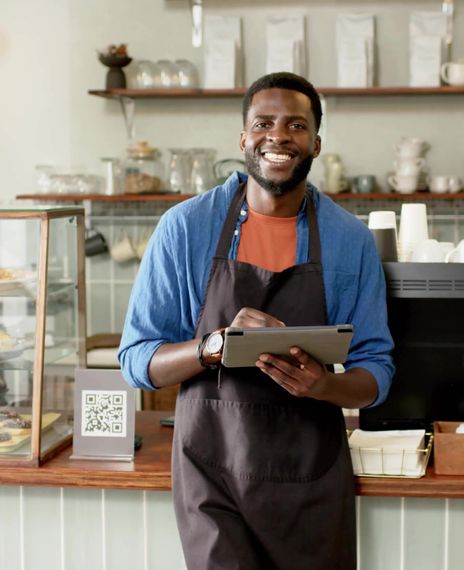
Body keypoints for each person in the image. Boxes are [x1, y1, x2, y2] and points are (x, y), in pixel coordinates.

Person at [117, 72, 394, 569]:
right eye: (263, 123)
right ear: (243, 138)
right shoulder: (185, 229)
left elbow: (376, 370)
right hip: (212, 479)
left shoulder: (349, 239)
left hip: (312, 477)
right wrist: (212, 347)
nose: (279, 136)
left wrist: (322, 387)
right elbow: (138, 361)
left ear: (315, 142)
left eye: (296, 125)